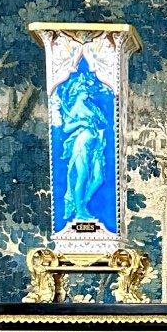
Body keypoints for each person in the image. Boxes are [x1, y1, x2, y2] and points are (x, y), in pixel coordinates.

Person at [58, 67, 108, 223]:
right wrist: (81, 122)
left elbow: (103, 123)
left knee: (99, 178)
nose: (88, 92)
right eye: (85, 89)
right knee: (82, 176)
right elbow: (66, 128)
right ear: (78, 91)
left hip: (96, 145)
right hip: (81, 145)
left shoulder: (90, 106)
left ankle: (81, 202)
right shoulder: (76, 108)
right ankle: (80, 212)